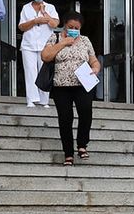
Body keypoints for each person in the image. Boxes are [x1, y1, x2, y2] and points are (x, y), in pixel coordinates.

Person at [40, 13, 102, 166]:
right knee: (65, 118)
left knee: (86, 111)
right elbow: (45, 56)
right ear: (65, 26)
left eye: (76, 28)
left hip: (83, 83)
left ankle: (82, 145)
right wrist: (64, 43)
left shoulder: (85, 40)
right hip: (61, 86)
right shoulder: (55, 38)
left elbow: (93, 59)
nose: (73, 30)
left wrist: (95, 68)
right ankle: (68, 153)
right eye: (70, 27)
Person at [17, 0, 60, 107]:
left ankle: (44, 100)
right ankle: (31, 99)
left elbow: (54, 24)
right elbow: (22, 27)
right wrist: (35, 21)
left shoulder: (50, 7)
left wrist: (44, 12)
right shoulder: (26, 8)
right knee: (30, 71)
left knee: (44, 72)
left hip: (45, 46)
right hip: (28, 45)